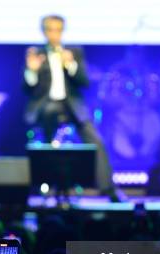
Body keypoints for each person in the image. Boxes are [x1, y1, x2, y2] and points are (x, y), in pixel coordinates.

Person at [23, 15, 115, 198]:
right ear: (44, 31)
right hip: (47, 105)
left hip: (72, 105)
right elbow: (27, 89)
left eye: (58, 30)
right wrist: (31, 71)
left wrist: (71, 65)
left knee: (96, 141)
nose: (54, 34)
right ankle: (48, 188)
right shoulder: (36, 54)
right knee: (48, 136)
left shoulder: (74, 52)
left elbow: (84, 82)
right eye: (50, 30)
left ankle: (109, 190)